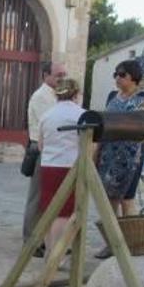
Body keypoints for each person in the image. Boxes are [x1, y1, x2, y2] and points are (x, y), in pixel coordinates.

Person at [95, 60, 144, 258]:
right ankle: (112, 242)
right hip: (109, 155)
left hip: (130, 157)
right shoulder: (112, 96)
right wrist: (96, 152)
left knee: (126, 199)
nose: (117, 78)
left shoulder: (143, 100)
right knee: (108, 199)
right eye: (116, 74)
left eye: (122, 74)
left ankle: (130, 243)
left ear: (133, 77)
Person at [38, 78, 85, 265]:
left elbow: (41, 144)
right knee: (65, 212)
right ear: (76, 94)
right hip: (69, 166)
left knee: (50, 209)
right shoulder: (81, 114)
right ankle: (56, 253)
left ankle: (49, 249)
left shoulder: (47, 115)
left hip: (48, 165)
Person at [24, 62, 67, 257]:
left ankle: (46, 238)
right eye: (58, 75)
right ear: (46, 76)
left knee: (49, 197)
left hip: (53, 150)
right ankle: (31, 241)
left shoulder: (55, 96)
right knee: (37, 196)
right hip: (42, 148)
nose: (61, 78)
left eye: (63, 75)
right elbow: (50, 124)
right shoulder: (42, 97)